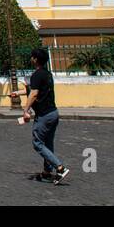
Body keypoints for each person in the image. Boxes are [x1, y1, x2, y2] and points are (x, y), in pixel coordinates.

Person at [20, 47, 70, 184]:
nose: (31, 58)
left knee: (37, 143)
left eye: (32, 56)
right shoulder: (47, 74)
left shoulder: (36, 75)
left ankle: (60, 167)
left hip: (44, 115)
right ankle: (47, 172)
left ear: (35, 59)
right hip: (53, 112)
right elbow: (38, 91)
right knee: (48, 143)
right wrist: (18, 93)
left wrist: (26, 110)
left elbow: (34, 93)